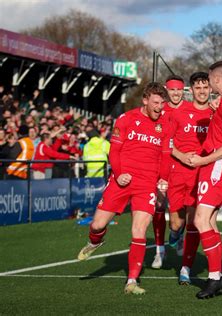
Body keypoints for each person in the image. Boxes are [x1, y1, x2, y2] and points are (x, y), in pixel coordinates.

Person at [76, 82, 167, 295]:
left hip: (147, 185)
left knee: (138, 230)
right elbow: (114, 151)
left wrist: (163, 178)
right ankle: (95, 241)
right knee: (97, 225)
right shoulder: (126, 119)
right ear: (145, 100)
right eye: (156, 103)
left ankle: (131, 281)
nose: (160, 107)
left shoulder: (165, 123)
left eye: (162, 103)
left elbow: (164, 155)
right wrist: (119, 173)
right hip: (121, 180)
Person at [187, 61, 222, 298]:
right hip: (212, 165)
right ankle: (217, 275)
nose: (207, 85)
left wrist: (203, 161)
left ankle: (214, 277)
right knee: (209, 222)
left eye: (208, 80)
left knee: (200, 220)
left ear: (216, 79)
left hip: (218, 165)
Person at [165, 72, 212, 285]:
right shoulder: (178, 112)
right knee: (176, 223)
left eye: (205, 87)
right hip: (178, 172)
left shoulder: (215, 113)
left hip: (201, 174)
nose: (202, 91)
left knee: (194, 221)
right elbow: (167, 143)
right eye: (198, 87)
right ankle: (175, 236)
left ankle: (185, 268)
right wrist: (182, 156)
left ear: (210, 89)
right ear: (191, 90)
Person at [151, 74, 190, 269]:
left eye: (179, 89)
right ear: (166, 90)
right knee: (158, 208)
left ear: (183, 90)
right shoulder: (159, 110)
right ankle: (160, 251)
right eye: (172, 89)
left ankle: (176, 235)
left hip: (183, 170)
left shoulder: (191, 109)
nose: (175, 93)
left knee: (177, 221)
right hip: (160, 166)